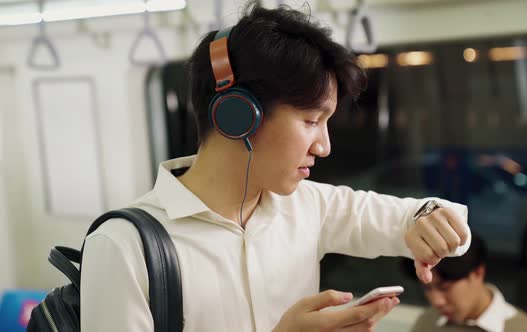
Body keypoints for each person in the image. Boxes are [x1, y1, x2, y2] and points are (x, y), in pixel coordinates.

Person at [80, 2, 471, 331]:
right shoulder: (123, 246)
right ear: (237, 116)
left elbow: (421, 218)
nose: (325, 146)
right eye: (311, 121)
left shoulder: (309, 206)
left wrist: (431, 218)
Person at [410, 234, 527, 332]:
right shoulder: (427, 322)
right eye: (427, 288)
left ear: (477, 273)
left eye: (445, 288)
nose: (436, 301)